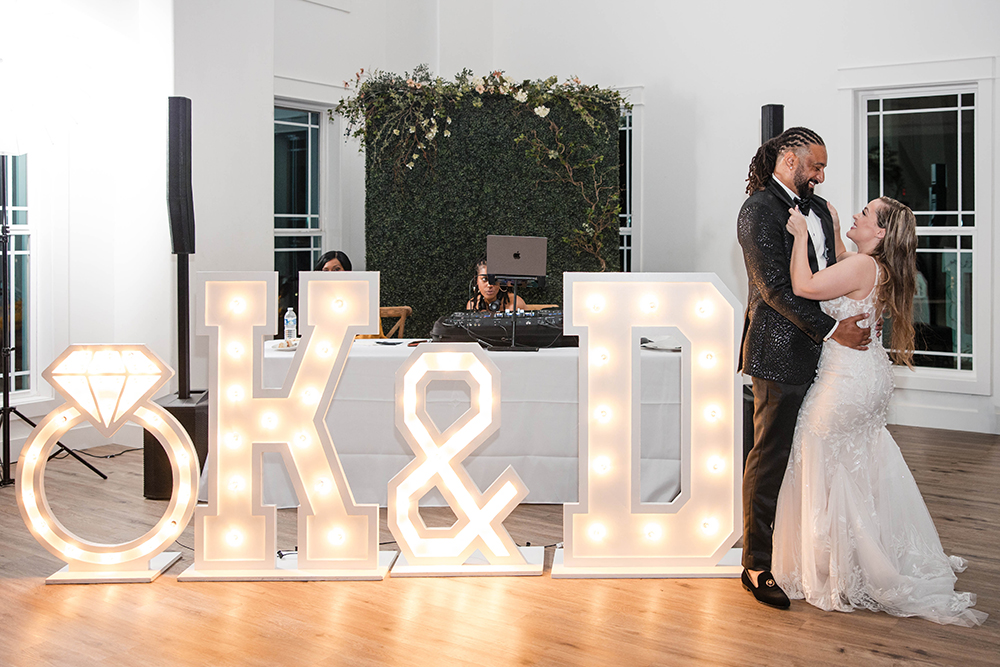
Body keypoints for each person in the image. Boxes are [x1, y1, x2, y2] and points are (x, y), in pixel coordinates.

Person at [771, 197, 986, 626]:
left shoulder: (861, 267)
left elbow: (804, 287)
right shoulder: (877, 267)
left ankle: (836, 565)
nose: (857, 215)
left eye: (866, 214)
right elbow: (844, 260)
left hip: (845, 382)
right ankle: (858, 552)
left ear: (882, 231)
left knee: (817, 450)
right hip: (868, 379)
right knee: (855, 465)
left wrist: (798, 238)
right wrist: (831, 226)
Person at [737, 127, 871, 609]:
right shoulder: (757, 210)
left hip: (825, 357)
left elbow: (826, 278)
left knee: (811, 458)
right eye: (816, 165)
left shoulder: (817, 208)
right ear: (790, 160)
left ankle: (811, 554)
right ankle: (755, 565)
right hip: (779, 354)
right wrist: (835, 330)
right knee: (770, 457)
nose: (821, 174)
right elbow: (773, 289)